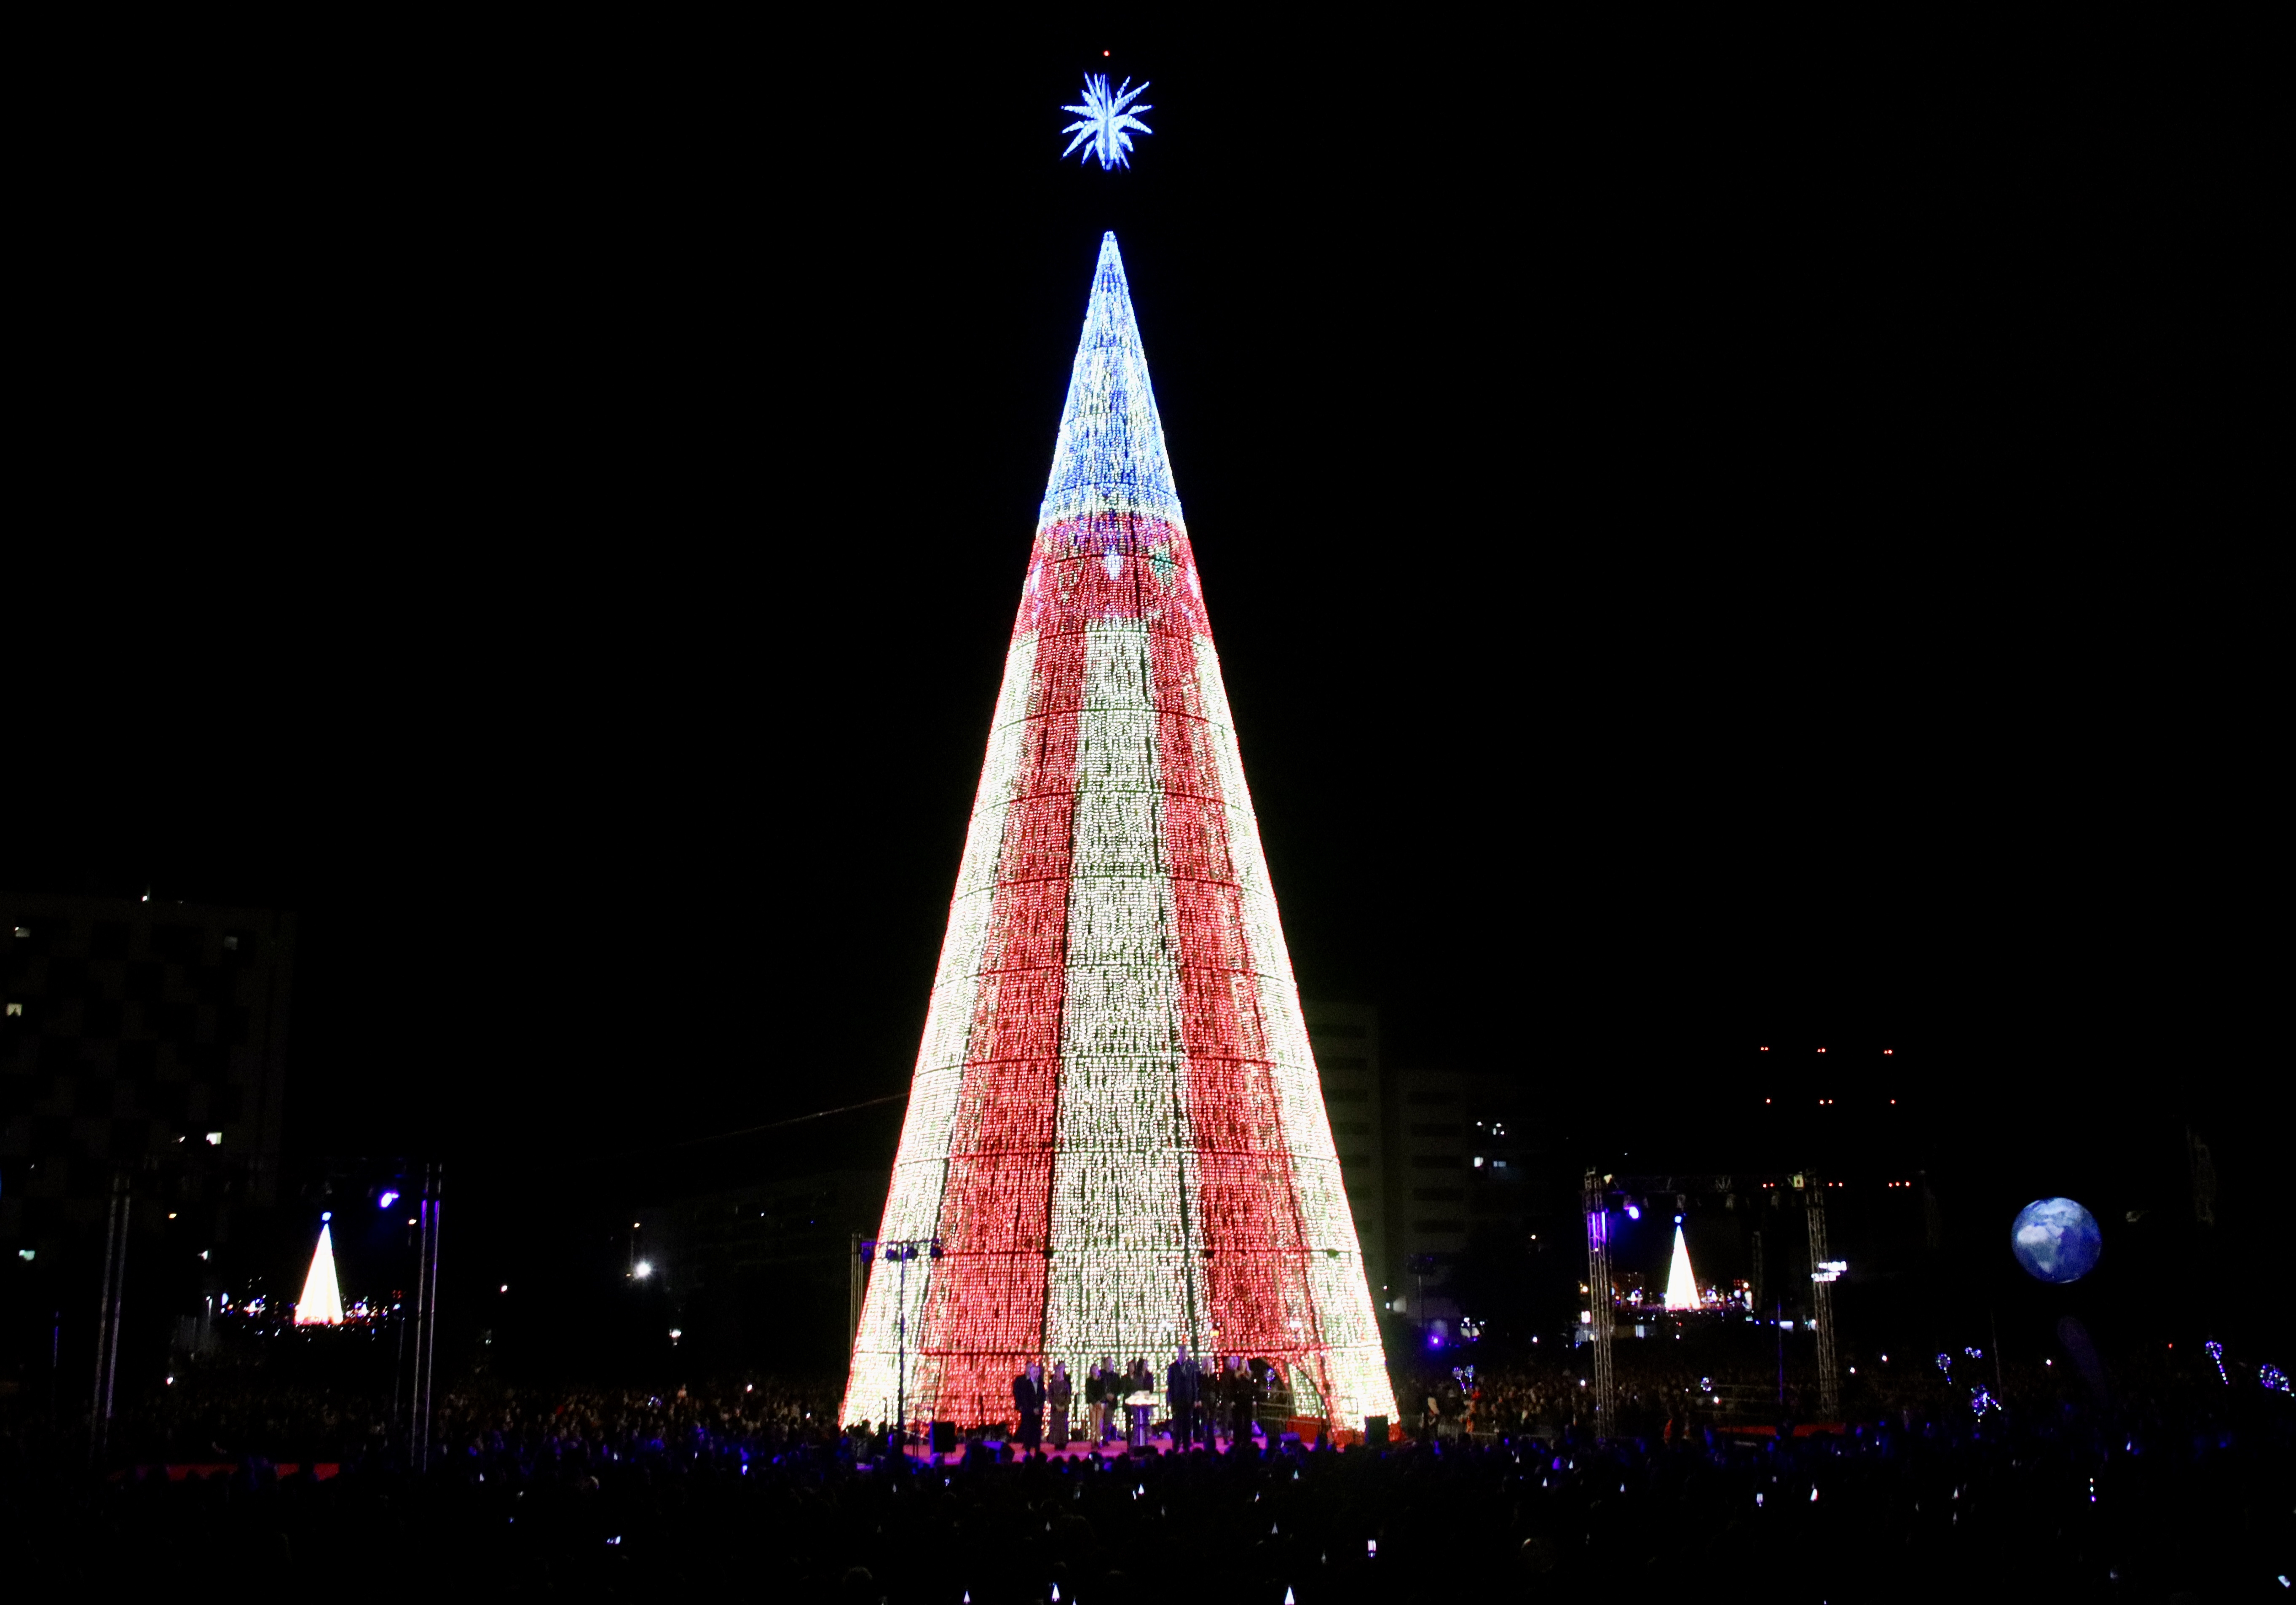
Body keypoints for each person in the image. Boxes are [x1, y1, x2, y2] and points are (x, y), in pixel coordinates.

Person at [1166, 1343, 1201, 1450]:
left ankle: (1187, 1448)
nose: (1183, 1354)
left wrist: (1196, 1399)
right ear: (1179, 1353)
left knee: (1187, 1426)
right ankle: (1176, 1447)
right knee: (1177, 1426)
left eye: (1185, 1352)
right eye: (1181, 1352)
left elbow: (1194, 1384)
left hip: (1189, 1401)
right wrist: (1170, 1401)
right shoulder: (1173, 1367)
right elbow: (1170, 1385)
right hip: (1178, 1401)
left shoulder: (1191, 1367)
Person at [1011, 1362, 1045, 1457]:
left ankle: (1037, 1449)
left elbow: (1043, 1397)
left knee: (1037, 1431)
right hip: (1029, 1411)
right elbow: (1025, 1398)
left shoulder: (1042, 1383)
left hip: (1038, 1412)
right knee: (1028, 1430)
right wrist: (1031, 1409)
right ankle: (1028, 1449)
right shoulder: (1026, 1384)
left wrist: (1039, 1408)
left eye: (1037, 1372)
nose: (1036, 1374)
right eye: (1034, 1372)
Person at [1047, 1361, 1072, 1449]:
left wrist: (1064, 1406)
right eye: (1057, 1372)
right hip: (1055, 1408)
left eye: (1060, 1372)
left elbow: (1068, 1396)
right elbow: (1050, 1396)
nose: (1059, 1373)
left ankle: (1063, 1443)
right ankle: (1057, 1443)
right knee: (1056, 1425)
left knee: (1063, 1425)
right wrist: (1056, 1405)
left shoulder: (1066, 1384)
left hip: (1064, 1408)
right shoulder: (1052, 1384)